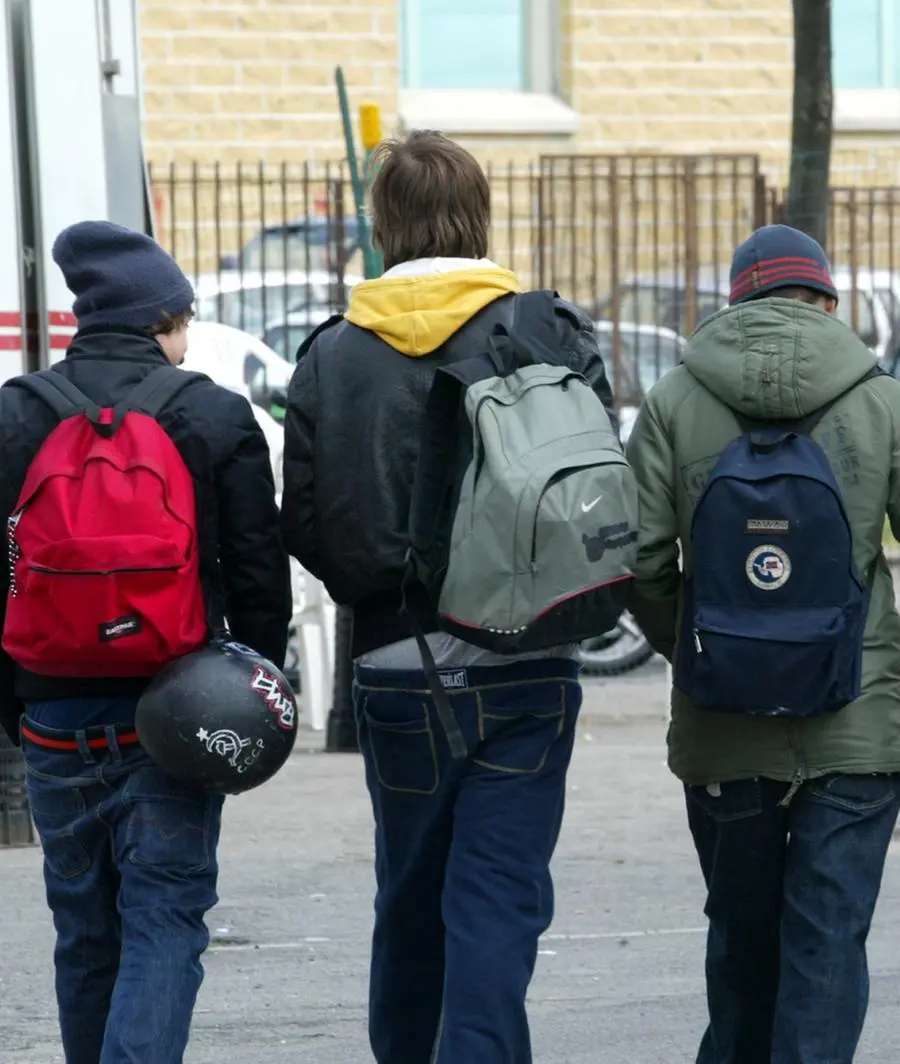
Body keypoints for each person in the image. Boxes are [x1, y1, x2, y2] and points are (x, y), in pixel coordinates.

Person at [281, 130, 616, 1064]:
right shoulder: (545, 328)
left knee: (409, 892)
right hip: (528, 653)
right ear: (478, 216)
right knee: (498, 897)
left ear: (384, 225)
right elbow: (598, 483)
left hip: (396, 660)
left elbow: (302, 520)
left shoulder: (332, 355)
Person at [0, 221, 292, 1064]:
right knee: (164, 917)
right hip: (176, 714)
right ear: (162, 319)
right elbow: (257, 574)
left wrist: (16, 703)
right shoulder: (210, 412)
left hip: (51, 712)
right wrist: (256, 692)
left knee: (83, 928)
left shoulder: (18, 414)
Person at [626, 223, 900, 1064]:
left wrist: (699, 651)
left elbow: (638, 562)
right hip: (856, 720)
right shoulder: (881, 398)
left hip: (722, 727)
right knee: (828, 945)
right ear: (825, 298)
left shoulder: (674, 399)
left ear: (736, 302)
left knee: (741, 941)